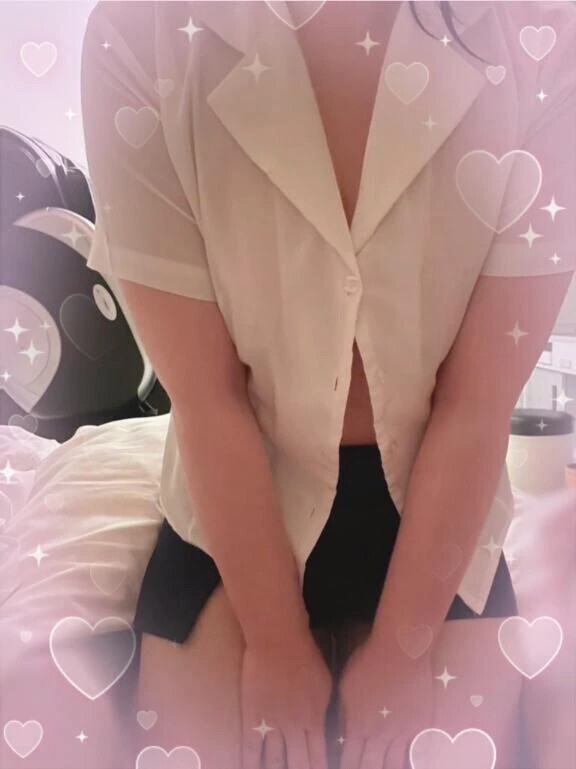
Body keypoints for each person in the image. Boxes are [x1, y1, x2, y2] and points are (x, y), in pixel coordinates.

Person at [81, 1, 576, 767]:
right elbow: (207, 397)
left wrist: (403, 648)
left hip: (439, 495)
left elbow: (476, 404)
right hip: (240, 496)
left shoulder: (543, 39)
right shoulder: (139, 33)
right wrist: (275, 643)